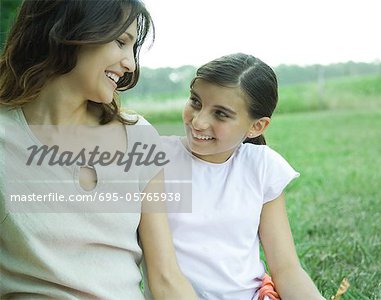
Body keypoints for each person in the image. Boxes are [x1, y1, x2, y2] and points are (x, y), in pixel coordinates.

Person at [0, 1, 197, 299]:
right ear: (70, 29)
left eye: (133, 49)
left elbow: (166, 277)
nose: (130, 64)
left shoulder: (138, 138)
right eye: (121, 42)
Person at [161, 53, 325, 299]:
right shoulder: (158, 159)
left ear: (256, 127)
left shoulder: (261, 166)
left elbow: (286, 269)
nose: (198, 121)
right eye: (196, 101)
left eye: (221, 114)